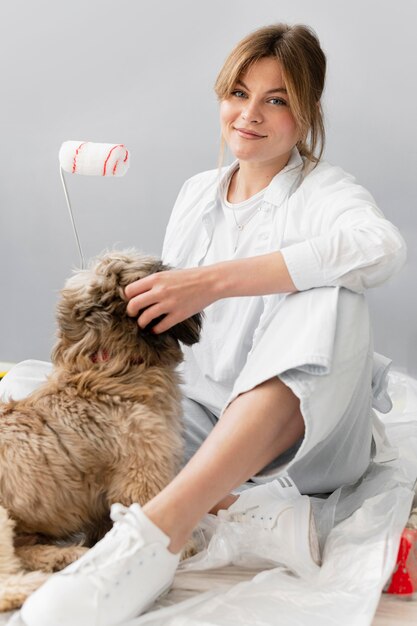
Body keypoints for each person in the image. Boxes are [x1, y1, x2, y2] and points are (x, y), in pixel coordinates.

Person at [13, 23, 405, 626]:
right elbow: (184, 347)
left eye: (276, 99)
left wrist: (212, 280)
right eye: (238, 93)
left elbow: (380, 247)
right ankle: (212, 503)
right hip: (205, 416)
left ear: (307, 112)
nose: (250, 114)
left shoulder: (327, 192)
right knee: (23, 395)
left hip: (310, 441)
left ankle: (152, 539)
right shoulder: (199, 193)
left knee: (329, 294)